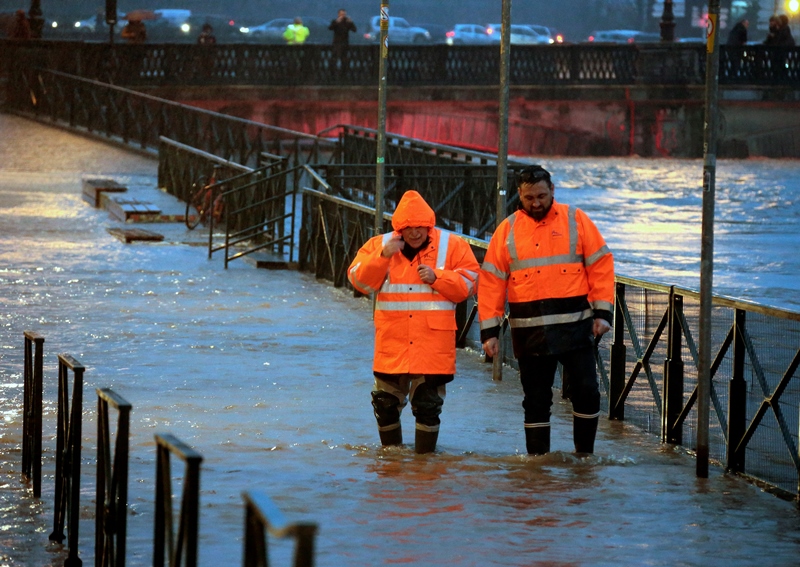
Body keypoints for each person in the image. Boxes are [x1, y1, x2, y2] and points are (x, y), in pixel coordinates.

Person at [477, 165, 615, 456]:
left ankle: (583, 458)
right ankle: (537, 466)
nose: (536, 203)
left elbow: (600, 265)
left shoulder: (575, 220)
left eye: (541, 195)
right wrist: (490, 332)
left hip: (575, 328)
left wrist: (603, 313)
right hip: (530, 333)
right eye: (529, 198)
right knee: (536, 401)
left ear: (553, 191)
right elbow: (491, 282)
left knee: (588, 393)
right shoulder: (508, 230)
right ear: (519, 195)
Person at [347, 190, 479, 454]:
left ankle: (424, 467)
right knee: (384, 404)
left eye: (420, 227)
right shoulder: (379, 245)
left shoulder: (452, 246)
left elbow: (470, 284)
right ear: (399, 229)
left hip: (432, 345)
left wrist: (438, 278)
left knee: (428, 407)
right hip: (393, 343)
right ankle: (391, 462)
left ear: (429, 225)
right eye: (409, 228)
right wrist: (382, 257)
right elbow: (359, 281)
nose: (415, 233)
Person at [329, 9, 357, 75]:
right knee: (334, 58)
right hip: (336, 43)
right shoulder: (335, 21)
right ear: (338, 14)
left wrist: (351, 22)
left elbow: (354, 30)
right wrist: (336, 22)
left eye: (344, 14)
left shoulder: (347, 22)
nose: (343, 16)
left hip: (345, 43)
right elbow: (330, 28)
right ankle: (332, 72)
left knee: (344, 59)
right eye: (341, 14)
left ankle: (344, 73)